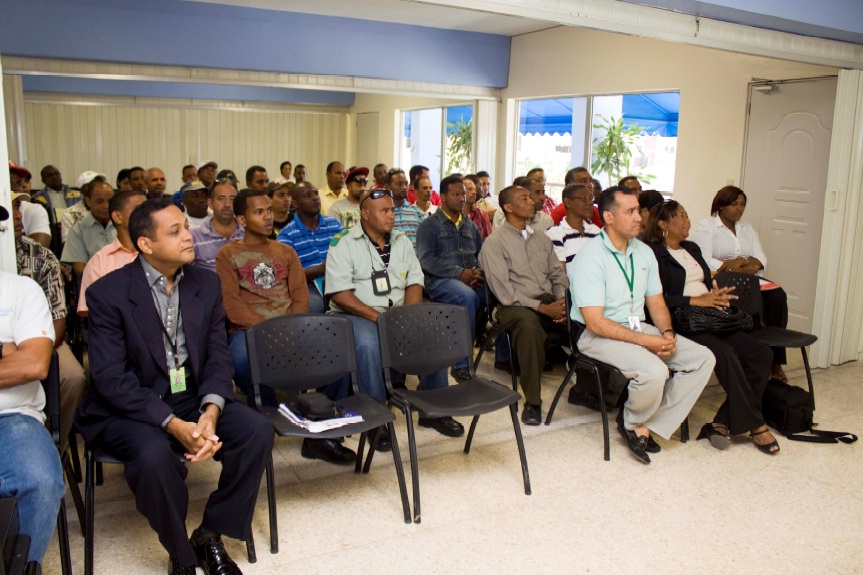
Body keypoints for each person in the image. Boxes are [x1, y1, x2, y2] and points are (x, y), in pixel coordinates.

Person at [76, 198, 273, 575]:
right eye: (175, 231)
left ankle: (210, 534)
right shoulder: (108, 294)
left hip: (191, 395)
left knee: (256, 430)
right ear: (145, 245)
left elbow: (218, 356)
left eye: (185, 227)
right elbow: (110, 379)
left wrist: (211, 411)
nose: (189, 237)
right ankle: (180, 553)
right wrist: (173, 424)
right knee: (153, 458)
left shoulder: (206, 283)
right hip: (130, 406)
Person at [569, 186, 715, 464]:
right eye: (631, 211)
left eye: (639, 210)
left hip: (638, 327)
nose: (640, 217)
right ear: (609, 218)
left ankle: (649, 424)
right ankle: (631, 420)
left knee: (702, 358)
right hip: (597, 334)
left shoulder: (644, 253)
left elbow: (656, 302)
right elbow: (596, 322)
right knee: (654, 370)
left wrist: (666, 333)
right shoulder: (590, 258)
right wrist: (648, 342)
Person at [325, 188, 463, 450]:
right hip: (355, 313)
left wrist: (407, 317)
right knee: (367, 344)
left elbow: (414, 281)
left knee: (433, 330)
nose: (392, 216)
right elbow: (340, 293)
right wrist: (378, 318)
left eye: (392, 210)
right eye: (384, 211)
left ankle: (433, 409)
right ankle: (377, 418)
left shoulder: (401, 241)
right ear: (365, 214)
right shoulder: (343, 242)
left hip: (396, 312)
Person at [644, 200, 779, 454]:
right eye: (680, 217)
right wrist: (696, 300)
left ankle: (722, 422)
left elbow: (705, 280)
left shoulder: (692, 248)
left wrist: (713, 293)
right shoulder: (652, 254)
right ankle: (757, 424)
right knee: (725, 355)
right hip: (683, 320)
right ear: (662, 224)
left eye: (687, 215)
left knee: (762, 353)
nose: (687, 222)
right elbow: (653, 297)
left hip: (712, 316)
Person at [479, 185, 569, 425]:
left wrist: (561, 303)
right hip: (514, 307)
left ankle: (590, 390)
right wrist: (542, 308)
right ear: (508, 207)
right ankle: (533, 402)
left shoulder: (541, 238)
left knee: (587, 317)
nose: (533, 201)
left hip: (547, 300)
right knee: (530, 328)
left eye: (531, 197)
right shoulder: (494, 243)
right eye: (525, 198)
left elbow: (558, 276)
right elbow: (505, 293)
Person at [690, 185, 790, 383]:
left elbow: (761, 258)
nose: (739, 208)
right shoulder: (707, 226)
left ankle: (775, 360)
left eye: (743, 204)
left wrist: (742, 264)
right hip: (719, 279)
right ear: (721, 205)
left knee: (778, 296)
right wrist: (731, 267)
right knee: (746, 303)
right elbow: (703, 259)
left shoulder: (747, 229)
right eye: (734, 204)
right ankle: (751, 354)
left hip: (748, 277)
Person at [0, 266, 65, 565]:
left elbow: (35, 364)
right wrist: (6, 349)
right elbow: (18, 361)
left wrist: (20, 356)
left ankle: (24, 570)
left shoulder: (22, 290)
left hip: (13, 417)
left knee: (41, 480)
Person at [13, 191, 86, 449]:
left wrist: (29, 351)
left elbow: (58, 323)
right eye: (12, 208)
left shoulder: (41, 257)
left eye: (19, 207)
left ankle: (54, 447)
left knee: (72, 377)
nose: (19, 215)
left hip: (44, 340)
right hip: (8, 346)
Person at [417, 174, 485, 382]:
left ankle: (501, 354)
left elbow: (481, 256)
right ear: (443, 197)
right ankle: (462, 363)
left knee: (495, 292)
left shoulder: (470, 226)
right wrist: (459, 274)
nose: (461, 199)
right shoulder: (429, 225)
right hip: (439, 280)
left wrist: (477, 273)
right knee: (467, 297)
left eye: (463, 194)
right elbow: (426, 260)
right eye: (456, 194)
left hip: (468, 277)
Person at [78, 189, 148, 316]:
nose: (148, 214)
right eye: (139, 209)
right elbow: (91, 311)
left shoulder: (161, 254)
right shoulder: (99, 262)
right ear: (117, 217)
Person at [277, 182, 343, 313]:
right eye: (308, 195)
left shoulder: (334, 224)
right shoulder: (287, 235)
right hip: (309, 286)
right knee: (312, 306)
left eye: (316, 193)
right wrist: (319, 270)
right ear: (295, 204)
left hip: (340, 280)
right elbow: (285, 277)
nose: (315, 198)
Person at [61, 180, 116, 274]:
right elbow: (80, 268)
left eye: (110, 201)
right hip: (95, 283)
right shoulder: (78, 230)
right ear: (88, 201)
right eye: (100, 201)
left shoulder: (123, 225)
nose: (106, 206)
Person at [190, 179, 244, 272]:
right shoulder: (194, 237)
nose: (227, 204)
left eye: (232, 199)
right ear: (210, 203)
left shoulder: (249, 233)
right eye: (221, 199)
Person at [545, 183, 601, 267]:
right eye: (583, 199)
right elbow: (560, 274)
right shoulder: (555, 233)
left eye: (590, 198)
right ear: (567, 202)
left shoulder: (596, 231)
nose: (589, 203)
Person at [60, 171, 106, 243]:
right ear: (81, 190)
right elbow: (69, 245)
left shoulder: (113, 210)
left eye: (100, 183)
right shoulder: (70, 214)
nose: (98, 187)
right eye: (92, 184)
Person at [387, 168, 424, 250]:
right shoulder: (384, 214)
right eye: (399, 184)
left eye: (406, 183)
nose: (404, 187)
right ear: (388, 187)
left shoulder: (418, 212)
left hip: (416, 260)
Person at [462, 174, 492, 239]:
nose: (474, 192)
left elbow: (489, 241)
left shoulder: (482, 214)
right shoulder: (453, 215)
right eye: (470, 189)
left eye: (475, 189)